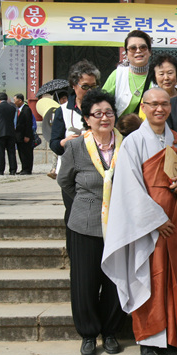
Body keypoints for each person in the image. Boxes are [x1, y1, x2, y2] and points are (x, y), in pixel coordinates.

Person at [101, 88, 177, 355]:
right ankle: (149, 340)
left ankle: (174, 336)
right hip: (147, 226)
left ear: (170, 107)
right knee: (148, 278)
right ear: (143, 107)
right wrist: (156, 220)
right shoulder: (133, 143)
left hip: (176, 224)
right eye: (153, 104)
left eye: (164, 104)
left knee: (175, 279)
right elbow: (128, 186)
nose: (159, 109)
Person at [57, 89, 125, 355]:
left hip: (119, 224)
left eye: (109, 112)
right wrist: (86, 203)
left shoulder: (126, 144)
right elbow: (65, 181)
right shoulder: (76, 147)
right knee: (84, 281)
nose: (104, 118)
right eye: (97, 114)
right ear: (87, 119)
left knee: (114, 280)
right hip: (84, 225)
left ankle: (110, 332)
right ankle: (88, 334)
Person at [50, 60, 100, 254]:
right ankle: (75, 255)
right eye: (85, 86)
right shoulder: (63, 110)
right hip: (72, 173)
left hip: (98, 170)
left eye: (93, 86)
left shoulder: (102, 108)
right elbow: (54, 143)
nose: (90, 91)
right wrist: (65, 142)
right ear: (73, 85)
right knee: (74, 214)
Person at [102, 30, 153, 118]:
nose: (138, 51)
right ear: (126, 53)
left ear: (150, 51)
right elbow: (101, 103)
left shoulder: (158, 75)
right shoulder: (118, 75)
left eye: (143, 47)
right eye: (133, 48)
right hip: (121, 126)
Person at [0, 93, 18, 175]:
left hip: (0, 132)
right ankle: (13, 169)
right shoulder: (12, 108)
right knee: (11, 152)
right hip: (11, 132)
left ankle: (1, 170)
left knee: (0, 152)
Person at [13, 93, 34, 175]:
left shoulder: (26, 109)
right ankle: (23, 168)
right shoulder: (18, 110)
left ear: (20, 100)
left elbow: (28, 123)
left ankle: (27, 169)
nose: (14, 102)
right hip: (19, 136)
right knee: (21, 153)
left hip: (25, 136)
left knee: (27, 153)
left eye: (15, 100)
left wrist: (27, 136)